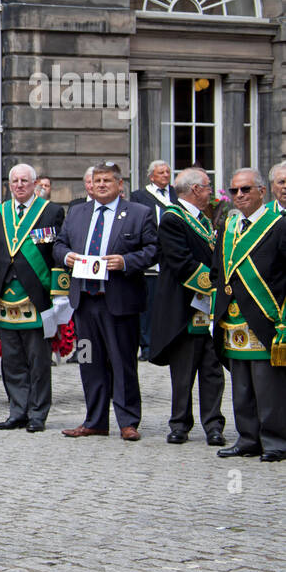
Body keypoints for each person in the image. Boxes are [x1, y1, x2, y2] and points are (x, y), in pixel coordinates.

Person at [55, 162, 157, 440]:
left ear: (119, 184)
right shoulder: (76, 213)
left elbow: (153, 250)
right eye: (97, 180)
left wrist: (126, 261)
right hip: (85, 303)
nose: (101, 184)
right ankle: (95, 420)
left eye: (107, 180)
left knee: (123, 363)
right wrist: (66, 257)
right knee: (89, 362)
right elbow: (59, 244)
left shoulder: (139, 213)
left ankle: (127, 421)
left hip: (119, 303)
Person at [0, 162, 67, 433]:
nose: (19, 185)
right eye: (15, 181)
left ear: (34, 184)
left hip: (37, 296)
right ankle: (17, 411)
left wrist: (59, 295)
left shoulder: (52, 212)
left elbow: (58, 257)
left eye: (24, 181)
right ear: (9, 185)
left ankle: (37, 414)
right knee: (12, 362)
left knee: (39, 362)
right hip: (6, 299)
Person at [212, 169, 286, 462]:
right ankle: (247, 438)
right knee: (241, 386)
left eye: (245, 190)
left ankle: (276, 441)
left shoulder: (278, 225)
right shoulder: (228, 226)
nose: (239, 196)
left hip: (267, 316)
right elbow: (218, 270)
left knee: (268, 386)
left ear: (262, 192)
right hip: (232, 317)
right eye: (234, 191)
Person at [149, 167, 225, 446]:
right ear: (195, 189)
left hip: (208, 310)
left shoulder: (203, 220)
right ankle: (179, 424)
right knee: (183, 373)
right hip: (184, 308)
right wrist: (216, 285)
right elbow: (182, 263)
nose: (210, 192)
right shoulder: (172, 218)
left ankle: (214, 424)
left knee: (212, 371)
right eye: (207, 187)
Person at [129, 160, 172, 361]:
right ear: (151, 176)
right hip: (151, 258)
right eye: (161, 172)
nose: (165, 175)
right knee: (148, 305)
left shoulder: (175, 193)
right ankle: (146, 345)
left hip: (170, 256)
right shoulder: (140, 195)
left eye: (167, 172)